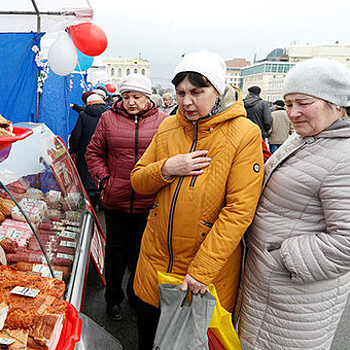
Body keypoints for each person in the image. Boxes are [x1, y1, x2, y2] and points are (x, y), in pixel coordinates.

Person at [130, 50, 264, 349]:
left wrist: (201, 271)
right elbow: (138, 181)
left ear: (217, 89)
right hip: (153, 268)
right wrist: (167, 168)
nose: (186, 101)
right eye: (180, 93)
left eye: (196, 92)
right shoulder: (168, 126)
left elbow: (239, 211)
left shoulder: (244, 134)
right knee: (147, 339)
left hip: (202, 276)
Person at [238, 58, 350, 349]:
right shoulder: (305, 137)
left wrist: (283, 254)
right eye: (288, 104)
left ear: (336, 104)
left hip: (297, 295)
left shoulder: (345, 156)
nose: (293, 113)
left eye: (303, 102)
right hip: (268, 285)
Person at [86, 73, 167, 322]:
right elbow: (93, 152)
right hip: (116, 200)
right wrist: (104, 181)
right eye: (126, 96)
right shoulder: (107, 118)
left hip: (148, 201)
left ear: (147, 98)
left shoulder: (163, 121)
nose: (131, 102)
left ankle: (135, 294)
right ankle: (113, 299)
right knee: (116, 254)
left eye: (137, 96)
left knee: (141, 254)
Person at [69, 94, 108, 210]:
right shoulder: (109, 115)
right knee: (101, 172)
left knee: (86, 175)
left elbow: (76, 136)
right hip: (103, 151)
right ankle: (99, 199)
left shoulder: (84, 115)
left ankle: (89, 203)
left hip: (85, 151)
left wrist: (73, 149)